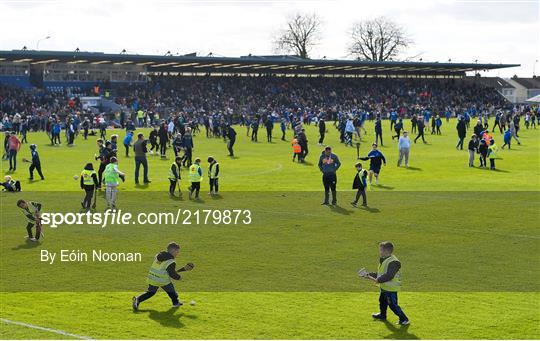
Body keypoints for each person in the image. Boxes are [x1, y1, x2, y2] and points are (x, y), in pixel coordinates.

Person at [358, 241, 410, 325]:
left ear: (386, 251)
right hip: (385, 287)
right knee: (382, 301)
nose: (380, 252)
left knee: (393, 305)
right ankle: (382, 315)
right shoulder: (384, 260)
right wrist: (368, 274)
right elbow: (380, 274)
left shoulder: (394, 262)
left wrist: (378, 280)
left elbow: (389, 275)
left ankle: (404, 319)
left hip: (391, 289)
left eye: (381, 250)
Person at [132, 242, 194, 310]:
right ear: (173, 251)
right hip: (162, 280)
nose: (178, 253)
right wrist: (179, 277)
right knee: (172, 292)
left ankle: (137, 299)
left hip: (152, 277)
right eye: (177, 252)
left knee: (150, 293)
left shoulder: (158, 255)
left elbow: (162, 267)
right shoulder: (171, 262)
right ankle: (176, 303)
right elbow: (172, 274)